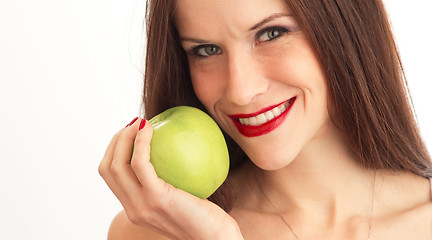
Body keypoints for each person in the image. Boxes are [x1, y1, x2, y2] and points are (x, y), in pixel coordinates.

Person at [98, 0, 432, 239]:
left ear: (345, 26)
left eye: (271, 33)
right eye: (207, 50)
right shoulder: (155, 234)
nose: (240, 91)